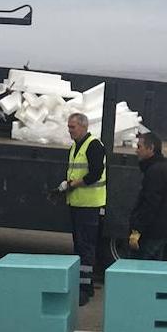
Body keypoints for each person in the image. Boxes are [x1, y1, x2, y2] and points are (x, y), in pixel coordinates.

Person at [60, 112, 106, 304]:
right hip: (77, 203)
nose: (69, 130)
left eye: (72, 127)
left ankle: (85, 289)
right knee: (79, 246)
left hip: (89, 205)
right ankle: (82, 284)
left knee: (86, 247)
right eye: (69, 127)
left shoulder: (93, 145)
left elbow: (95, 173)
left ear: (83, 127)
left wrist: (72, 184)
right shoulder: (75, 146)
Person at [128, 131, 167, 260]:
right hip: (156, 231)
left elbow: (150, 204)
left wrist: (137, 230)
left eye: (139, 147)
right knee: (151, 271)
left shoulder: (155, 172)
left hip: (150, 234)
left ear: (151, 148)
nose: (136, 151)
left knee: (141, 269)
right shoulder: (158, 168)